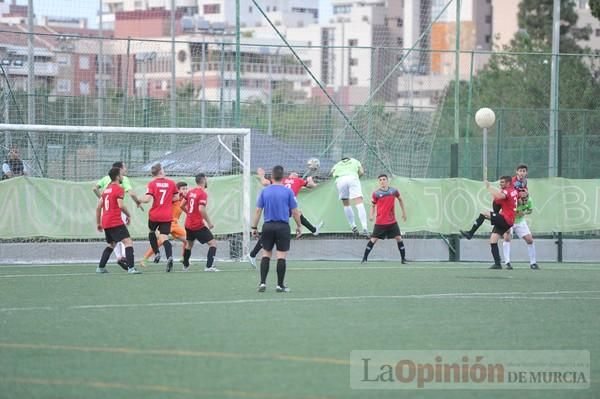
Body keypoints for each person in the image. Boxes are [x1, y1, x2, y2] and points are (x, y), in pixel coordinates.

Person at [247, 167, 323, 268]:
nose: (294, 173)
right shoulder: (299, 180)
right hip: (284, 207)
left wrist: (261, 174)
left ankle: (314, 230)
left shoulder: (282, 180)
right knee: (274, 231)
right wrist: (310, 180)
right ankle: (252, 254)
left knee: (296, 215)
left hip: (276, 204)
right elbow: (312, 186)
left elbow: (265, 182)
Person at [252, 165, 302, 293]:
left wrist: (254, 227)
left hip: (268, 226)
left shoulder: (265, 191)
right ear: (283, 176)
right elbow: (295, 212)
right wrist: (299, 226)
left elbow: (258, 210)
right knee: (281, 256)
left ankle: (262, 283)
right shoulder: (288, 192)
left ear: (272, 177)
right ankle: (280, 285)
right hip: (283, 227)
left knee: (266, 254)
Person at [460, 176, 519, 269]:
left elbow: (499, 196)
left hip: (506, 219)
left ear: (508, 183)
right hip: (507, 220)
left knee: (484, 213)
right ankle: (497, 264)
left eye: (503, 182)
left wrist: (489, 187)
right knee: (493, 240)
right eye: (500, 182)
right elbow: (498, 201)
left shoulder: (508, 191)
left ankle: (470, 233)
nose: (500, 184)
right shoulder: (512, 191)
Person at [93, 161, 143, 270]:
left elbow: (98, 208)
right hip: (115, 220)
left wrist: (98, 223)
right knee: (128, 242)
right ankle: (131, 268)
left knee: (111, 244)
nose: (123, 176)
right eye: (121, 175)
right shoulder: (119, 189)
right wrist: (128, 215)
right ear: (117, 177)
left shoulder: (106, 191)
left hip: (105, 220)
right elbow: (120, 206)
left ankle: (100, 267)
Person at [139, 163, 179, 272]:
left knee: (152, 231)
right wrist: (167, 199)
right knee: (164, 238)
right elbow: (176, 197)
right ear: (161, 171)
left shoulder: (152, 184)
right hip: (166, 215)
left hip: (155, 214)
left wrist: (139, 199)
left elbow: (147, 199)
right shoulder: (171, 183)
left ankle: (156, 253)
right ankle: (169, 257)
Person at [139, 181, 188, 268]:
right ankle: (144, 259)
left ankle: (184, 258)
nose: (185, 190)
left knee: (188, 240)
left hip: (175, 225)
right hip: (167, 222)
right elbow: (165, 200)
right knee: (160, 242)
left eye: (186, 188)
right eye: (183, 189)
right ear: (178, 190)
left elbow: (185, 208)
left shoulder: (183, 199)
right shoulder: (173, 198)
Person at [361, 174, 408, 264]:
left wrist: (404, 212)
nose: (382, 181)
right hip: (380, 222)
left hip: (392, 222)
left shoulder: (394, 191)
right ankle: (364, 258)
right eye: (380, 180)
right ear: (379, 182)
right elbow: (373, 205)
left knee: (399, 238)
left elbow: (400, 199)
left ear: (387, 181)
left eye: (384, 179)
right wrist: (371, 215)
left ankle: (403, 259)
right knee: (373, 240)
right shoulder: (376, 193)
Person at [181, 173, 219, 272]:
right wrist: (209, 223)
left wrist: (190, 213)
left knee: (189, 245)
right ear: (203, 180)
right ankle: (209, 266)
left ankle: (185, 266)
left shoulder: (190, 192)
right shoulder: (202, 193)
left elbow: (182, 205)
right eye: (206, 179)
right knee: (213, 244)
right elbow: (201, 209)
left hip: (188, 224)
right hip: (197, 225)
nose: (207, 181)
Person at [331, 156, 369, 237]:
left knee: (346, 203)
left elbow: (331, 173)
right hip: (352, 178)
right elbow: (362, 172)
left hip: (340, 180)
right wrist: (356, 178)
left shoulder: (337, 164)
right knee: (359, 202)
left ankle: (353, 226)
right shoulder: (355, 161)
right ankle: (365, 228)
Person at [502, 191, 540, 270]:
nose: (525, 201)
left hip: (520, 222)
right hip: (509, 220)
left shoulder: (529, 200)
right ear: (518, 198)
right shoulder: (512, 202)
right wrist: (515, 214)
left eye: (526, 199)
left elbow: (530, 210)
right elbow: (504, 211)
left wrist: (524, 212)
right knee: (507, 238)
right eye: (523, 199)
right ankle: (507, 263)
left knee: (530, 240)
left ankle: (533, 263)